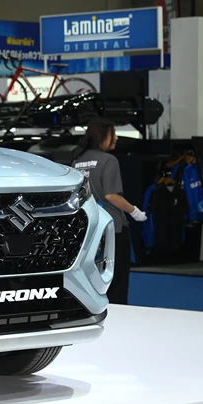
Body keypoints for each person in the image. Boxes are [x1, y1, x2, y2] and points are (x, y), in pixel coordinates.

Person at [71, 117, 146, 304]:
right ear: (103, 135)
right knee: (117, 277)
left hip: (88, 226)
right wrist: (135, 212)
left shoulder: (77, 160)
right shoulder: (109, 160)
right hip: (112, 227)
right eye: (113, 133)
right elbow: (112, 195)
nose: (116, 138)